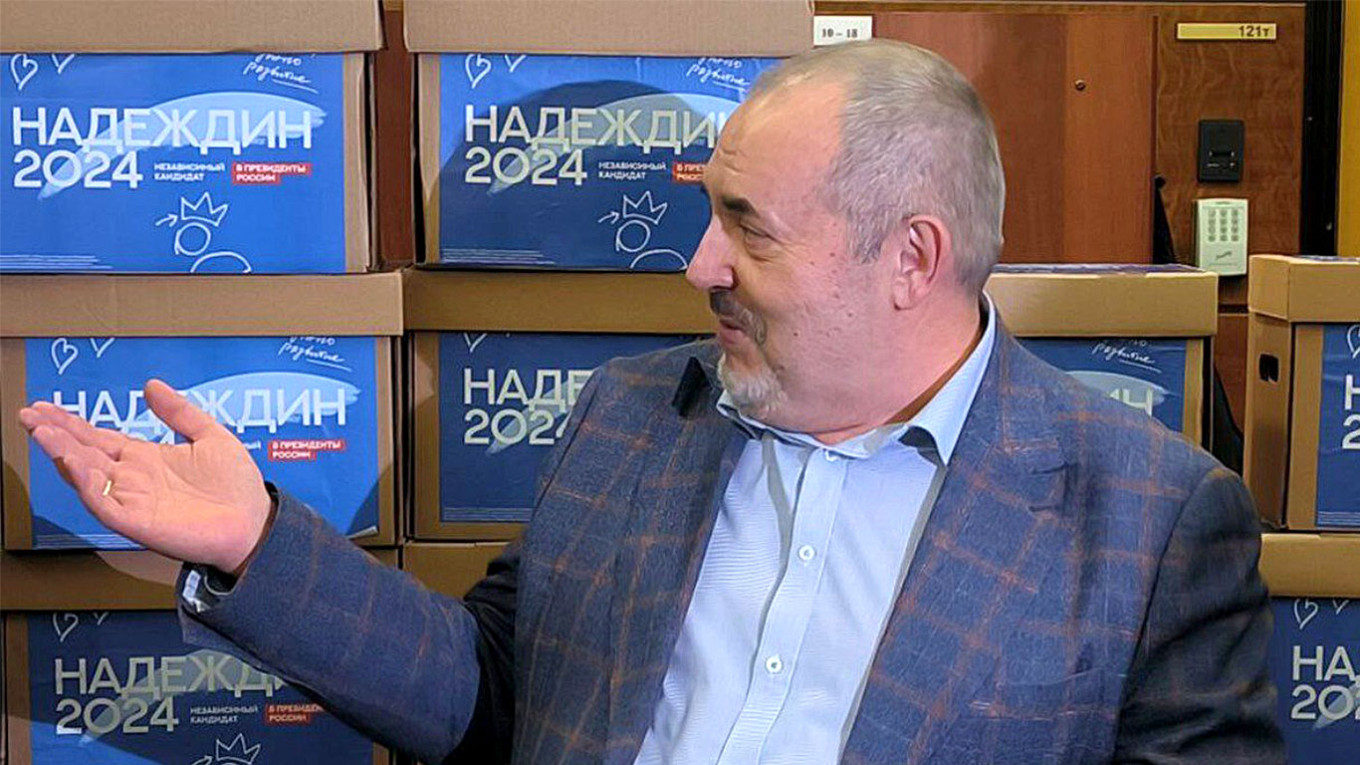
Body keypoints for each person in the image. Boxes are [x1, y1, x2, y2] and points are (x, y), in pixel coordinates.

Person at [19, 40, 1284, 764]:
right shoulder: (633, 415)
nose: (699, 265)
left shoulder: (1150, 521)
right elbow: (494, 691)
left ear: (910, 259)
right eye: (707, 211)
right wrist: (254, 542)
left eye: (748, 226)